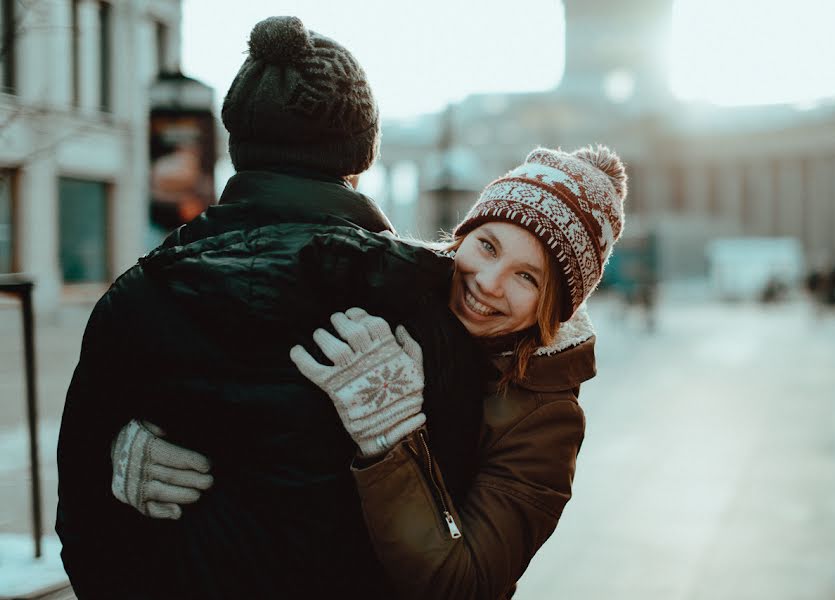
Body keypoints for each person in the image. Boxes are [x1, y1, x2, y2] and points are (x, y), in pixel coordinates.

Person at [56, 15, 480, 599]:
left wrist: (111, 469)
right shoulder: (420, 302)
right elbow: (464, 540)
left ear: (239, 147)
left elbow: (83, 530)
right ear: (359, 155)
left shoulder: (135, 300)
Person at [119, 144, 628, 599]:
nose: (490, 282)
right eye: (488, 246)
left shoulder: (546, 417)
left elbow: (463, 582)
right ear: (463, 235)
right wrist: (149, 442)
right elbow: (268, 403)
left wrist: (390, 434)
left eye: (527, 277)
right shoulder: (389, 291)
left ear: (555, 306)